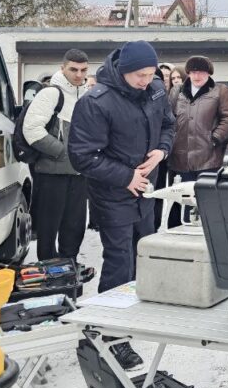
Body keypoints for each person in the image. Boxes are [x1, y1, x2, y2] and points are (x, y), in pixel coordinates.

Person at [68, 41, 174, 369]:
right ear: (123, 71)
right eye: (140, 75)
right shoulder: (96, 102)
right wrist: (125, 176)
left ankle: (132, 312)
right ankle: (111, 335)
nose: (146, 80)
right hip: (113, 191)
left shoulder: (155, 90)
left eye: (150, 74)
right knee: (119, 258)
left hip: (144, 188)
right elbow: (82, 156)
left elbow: (168, 125)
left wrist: (162, 151)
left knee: (142, 250)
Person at [23, 48, 91, 262]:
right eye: (73, 69)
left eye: (83, 70)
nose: (78, 75)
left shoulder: (87, 94)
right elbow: (31, 129)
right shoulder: (51, 93)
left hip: (79, 175)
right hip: (52, 175)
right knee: (48, 229)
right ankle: (47, 271)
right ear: (63, 68)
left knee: (75, 226)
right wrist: (63, 153)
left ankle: (68, 268)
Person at [167, 56, 228, 227]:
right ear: (188, 73)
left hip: (208, 157)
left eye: (201, 72)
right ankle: (180, 234)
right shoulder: (177, 91)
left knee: (207, 202)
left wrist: (215, 139)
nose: (197, 76)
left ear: (209, 73)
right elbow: (168, 118)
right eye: (193, 72)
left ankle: (209, 232)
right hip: (180, 157)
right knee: (181, 200)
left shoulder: (220, 91)